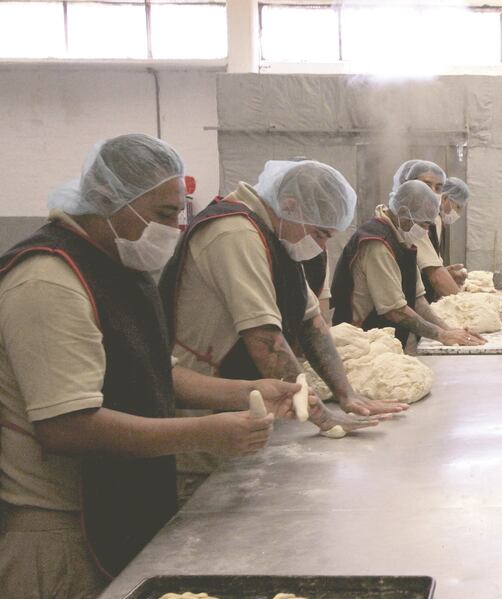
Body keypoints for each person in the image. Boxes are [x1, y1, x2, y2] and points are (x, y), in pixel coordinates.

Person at [0, 134, 300, 599]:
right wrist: (210, 432)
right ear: (112, 202)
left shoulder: (116, 266)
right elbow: (68, 426)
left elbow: (155, 373)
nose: (175, 229)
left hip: (118, 505)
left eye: (179, 213)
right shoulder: (49, 280)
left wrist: (245, 393)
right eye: (163, 212)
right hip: (61, 532)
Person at [160, 160, 403, 496]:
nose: (320, 247)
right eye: (319, 234)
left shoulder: (273, 235)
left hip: (244, 412)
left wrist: (346, 394)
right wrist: (321, 416)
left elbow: (311, 323)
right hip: (204, 420)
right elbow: (265, 339)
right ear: (290, 206)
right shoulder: (234, 232)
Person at [330, 181, 485, 348]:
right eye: (423, 224)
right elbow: (394, 310)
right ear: (404, 213)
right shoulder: (377, 244)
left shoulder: (403, 238)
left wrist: (450, 330)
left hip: (383, 340)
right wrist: (441, 335)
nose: (425, 231)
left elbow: (418, 299)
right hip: (360, 340)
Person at [395, 160, 465, 302]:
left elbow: (428, 269)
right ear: (406, 186)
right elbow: (436, 277)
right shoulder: (409, 223)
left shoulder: (427, 223)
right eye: (425, 185)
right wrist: (467, 306)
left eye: (438, 188)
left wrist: (445, 273)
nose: (431, 193)